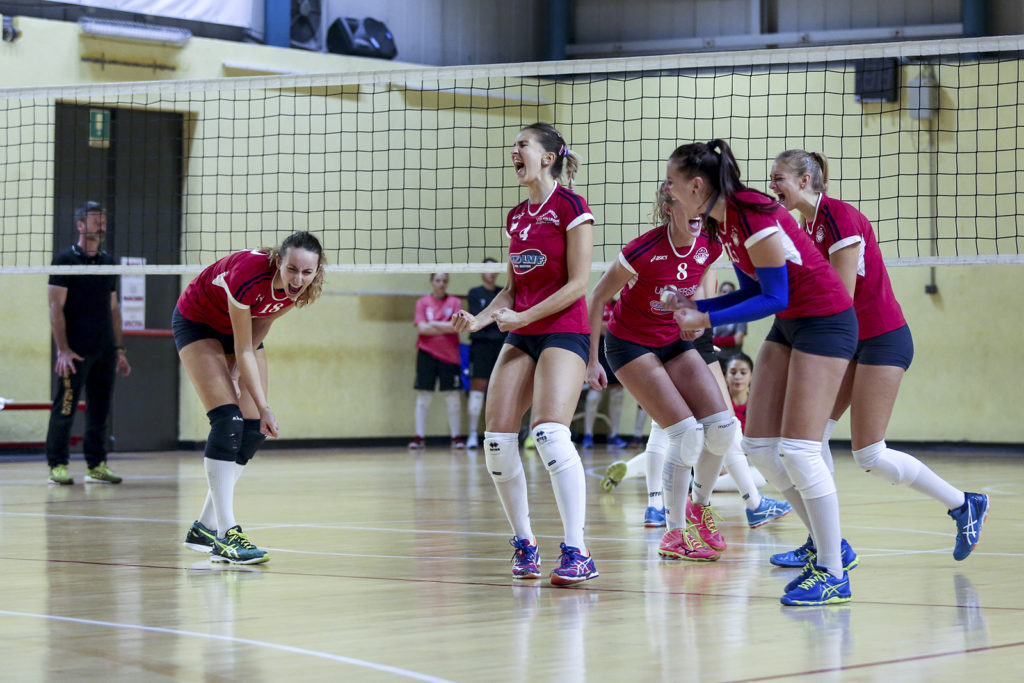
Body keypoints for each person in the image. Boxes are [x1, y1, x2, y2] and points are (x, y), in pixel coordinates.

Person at [660, 139, 857, 606]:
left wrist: (703, 319)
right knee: (761, 448)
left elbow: (775, 296)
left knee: (800, 450)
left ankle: (832, 571)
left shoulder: (753, 212)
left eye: (672, 182)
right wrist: (697, 304)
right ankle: (834, 548)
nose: (667, 190)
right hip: (792, 326)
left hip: (826, 321)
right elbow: (751, 286)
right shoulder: (723, 221)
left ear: (697, 184)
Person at [769, 149, 989, 562]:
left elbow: (839, 298)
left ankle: (963, 503)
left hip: (881, 340)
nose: (772, 186)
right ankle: (824, 543)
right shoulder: (806, 225)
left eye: (778, 178)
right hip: (847, 342)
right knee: (806, 441)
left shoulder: (839, 217)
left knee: (869, 454)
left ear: (804, 181)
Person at [451, 122, 598, 586]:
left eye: (523, 145)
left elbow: (579, 284)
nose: (514, 152)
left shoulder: (572, 208)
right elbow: (514, 289)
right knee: (496, 441)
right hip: (522, 330)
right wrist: (479, 320)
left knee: (551, 434)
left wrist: (525, 315)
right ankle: (525, 543)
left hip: (563, 329)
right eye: (514, 146)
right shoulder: (516, 216)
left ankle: (577, 550)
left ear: (548, 156)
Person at [587, 182, 736, 562]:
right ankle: (672, 534)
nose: (700, 213)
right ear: (669, 208)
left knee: (722, 427)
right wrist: (590, 361)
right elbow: (597, 298)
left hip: (673, 341)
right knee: (685, 434)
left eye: (704, 205)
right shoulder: (642, 250)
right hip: (629, 345)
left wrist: (697, 318)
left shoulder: (711, 244)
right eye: (691, 204)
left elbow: (702, 288)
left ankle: (698, 508)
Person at [175, 231, 325, 564]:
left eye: (306, 271)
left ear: (316, 271)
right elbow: (243, 348)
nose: (298, 278)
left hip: (241, 333)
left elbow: (259, 331)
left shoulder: (300, 291)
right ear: (278, 262)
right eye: (291, 269)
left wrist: (251, 395)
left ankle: (205, 527)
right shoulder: (248, 275)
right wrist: (264, 404)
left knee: (253, 429)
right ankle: (227, 535)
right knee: (229, 420)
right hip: (198, 323)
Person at [45, 201, 131, 485]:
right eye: (95, 219)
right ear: (80, 225)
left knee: (100, 409)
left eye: (103, 220)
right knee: (66, 406)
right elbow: (55, 307)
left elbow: (114, 308)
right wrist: (63, 349)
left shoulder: (108, 262)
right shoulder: (64, 260)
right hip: (75, 350)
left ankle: (96, 464)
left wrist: (118, 349)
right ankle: (57, 465)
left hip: (104, 349)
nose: (101, 224)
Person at [409, 273, 465, 450]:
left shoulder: (455, 302)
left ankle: (456, 437)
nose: (441, 284)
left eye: (444, 281)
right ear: (432, 282)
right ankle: (420, 437)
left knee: (453, 397)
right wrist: (444, 326)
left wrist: (433, 323)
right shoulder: (422, 303)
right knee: (424, 396)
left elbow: (456, 327)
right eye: (438, 281)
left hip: (450, 355)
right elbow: (423, 329)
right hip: (427, 354)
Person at [465, 258, 504, 450]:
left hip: (501, 347)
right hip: (480, 347)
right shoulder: (474, 293)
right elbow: (476, 321)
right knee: (477, 389)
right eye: (487, 269)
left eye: (494, 269)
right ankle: (472, 434)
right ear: (481, 272)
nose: (491, 273)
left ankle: (501, 434)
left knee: (502, 391)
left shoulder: (503, 293)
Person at [581, 298, 628, 450]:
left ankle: (614, 435)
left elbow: (625, 327)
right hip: (597, 352)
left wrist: (606, 327)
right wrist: (610, 327)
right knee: (594, 395)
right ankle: (588, 435)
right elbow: (593, 328)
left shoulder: (619, 305)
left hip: (615, 351)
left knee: (617, 396)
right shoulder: (595, 302)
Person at [712, 281, 747, 362]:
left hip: (732, 360)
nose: (727, 294)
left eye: (730, 292)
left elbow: (738, 340)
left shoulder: (740, 315)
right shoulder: (712, 314)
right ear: (719, 294)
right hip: (714, 359)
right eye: (724, 292)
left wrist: (713, 340)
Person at [725, 353, 753, 432]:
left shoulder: (757, 405)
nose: (738, 377)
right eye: (733, 373)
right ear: (726, 376)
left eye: (743, 373)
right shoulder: (719, 403)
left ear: (752, 376)